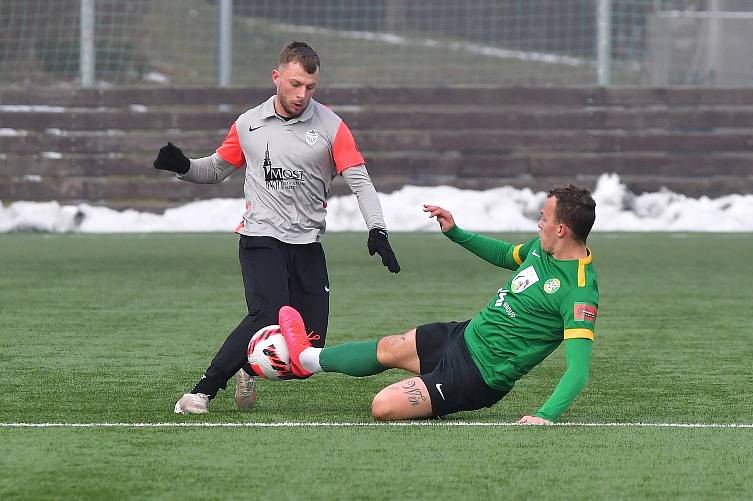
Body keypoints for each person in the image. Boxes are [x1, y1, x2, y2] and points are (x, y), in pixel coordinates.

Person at [161, 41, 401, 414]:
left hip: (307, 244)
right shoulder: (249, 124)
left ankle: (248, 364)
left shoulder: (332, 127)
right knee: (267, 313)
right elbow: (216, 169)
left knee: (306, 350)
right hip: (261, 237)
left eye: (310, 87)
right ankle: (201, 393)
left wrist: (378, 230)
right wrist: (183, 166)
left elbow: (361, 182)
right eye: (294, 84)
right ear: (277, 77)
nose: (302, 94)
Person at [276, 185, 599, 423]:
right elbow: (505, 255)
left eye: (543, 218)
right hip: (466, 335)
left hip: (477, 376)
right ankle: (305, 358)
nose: (538, 224)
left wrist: (545, 415)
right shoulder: (542, 249)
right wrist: (455, 232)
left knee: (383, 406)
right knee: (391, 346)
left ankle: (432, 395)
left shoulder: (579, 293)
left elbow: (578, 370)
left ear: (561, 229)